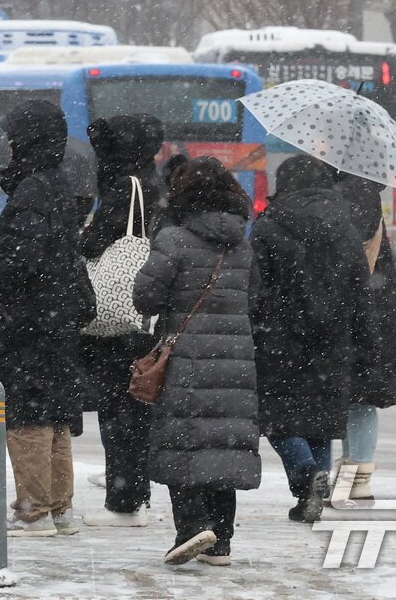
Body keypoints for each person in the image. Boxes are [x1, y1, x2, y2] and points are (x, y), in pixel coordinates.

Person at [134, 157, 260, 566]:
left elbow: (145, 298)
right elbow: (255, 300)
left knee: (183, 441)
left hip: (186, 358)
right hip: (237, 360)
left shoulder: (174, 239)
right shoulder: (242, 243)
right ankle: (220, 541)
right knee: (222, 444)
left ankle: (190, 528)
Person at [0, 99, 95, 537]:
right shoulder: (60, 181)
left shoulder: (32, 188)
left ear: (26, 140)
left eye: (13, 138)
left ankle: (33, 510)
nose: (8, 147)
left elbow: (17, 262)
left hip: (29, 320)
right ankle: (60, 508)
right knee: (55, 419)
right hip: (56, 316)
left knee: (29, 417)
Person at [250, 155, 373, 524]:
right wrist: (363, 338)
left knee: (275, 416)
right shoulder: (345, 227)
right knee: (321, 418)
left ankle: (305, 474)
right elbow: (359, 288)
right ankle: (310, 496)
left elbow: (255, 287)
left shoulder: (268, 226)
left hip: (279, 338)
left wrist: (257, 324)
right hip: (333, 339)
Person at [79, 114, 164, 527]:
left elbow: (100, 239)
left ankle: (126, 499)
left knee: (119, 407)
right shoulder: (152, 178)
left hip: (119, 316)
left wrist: (81, 237)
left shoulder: (124, 185)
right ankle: (132, 488)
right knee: (136, 403)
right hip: (143, 313)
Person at [333, 174, 396, 504]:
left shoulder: (350, 193)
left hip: (356, 307)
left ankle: (356, 475)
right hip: (374, 309)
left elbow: (349, 252)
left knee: (357, 394)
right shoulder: (367, 193)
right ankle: (355, 475)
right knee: (360, 393)